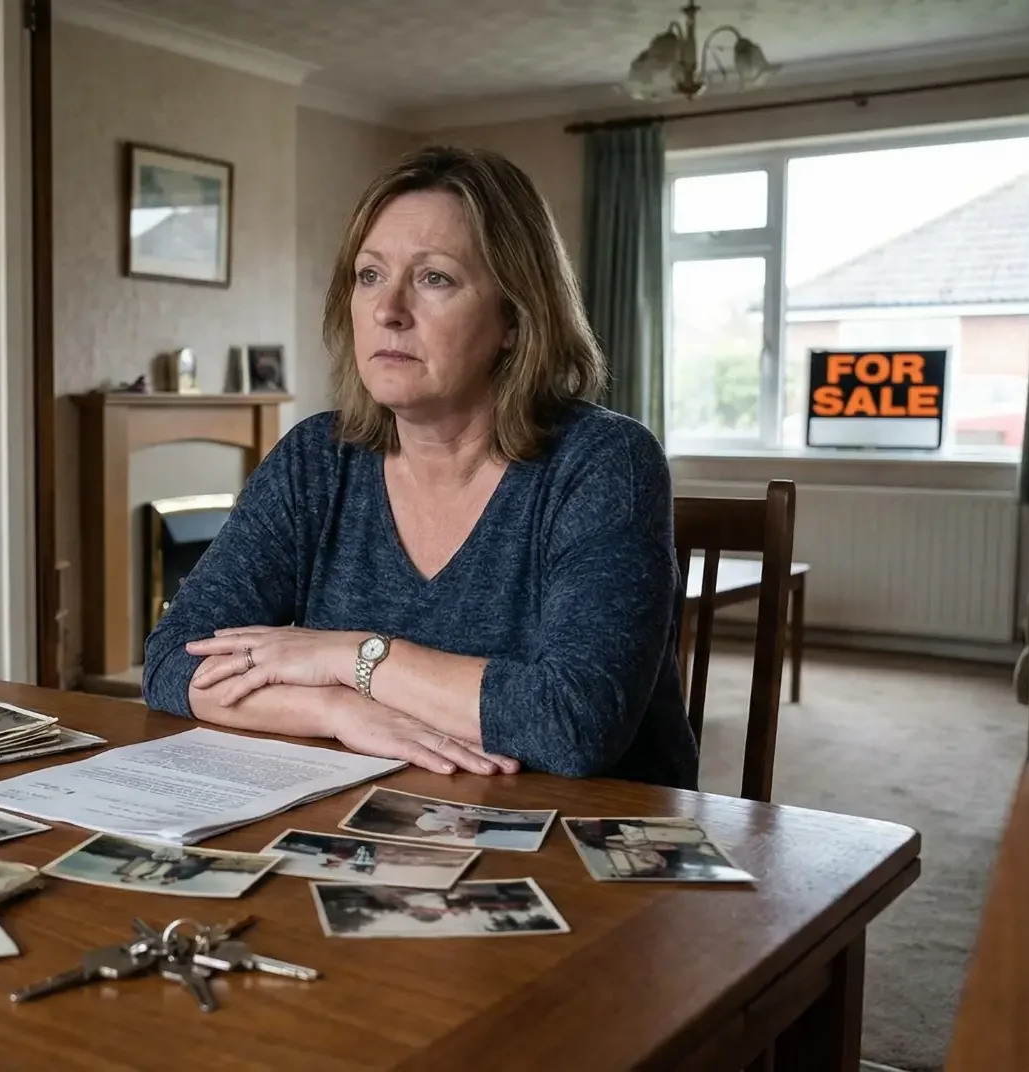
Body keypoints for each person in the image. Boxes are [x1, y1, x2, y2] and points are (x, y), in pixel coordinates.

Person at [140, 145, 698, 790]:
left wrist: (350, 656)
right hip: (374, 822)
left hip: (580, 842)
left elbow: (574, 723)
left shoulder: (604, 461)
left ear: (514, 318)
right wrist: (336, 709)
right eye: (370, 275)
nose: (387, 310)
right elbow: (171, 662)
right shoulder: (315, 460)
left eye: (434, 278)